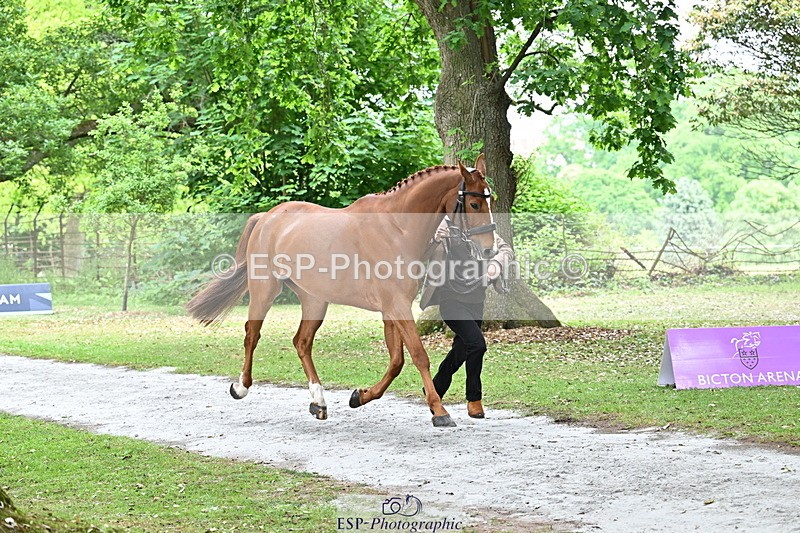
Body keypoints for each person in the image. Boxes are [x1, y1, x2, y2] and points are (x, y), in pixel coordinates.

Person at [420, 217, 514, 418]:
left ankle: (435, 388)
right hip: (451, 299)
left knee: (462, 349)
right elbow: (420, 253)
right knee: (478, 344)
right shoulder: (441, 226)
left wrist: (495, 266)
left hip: (475, 300)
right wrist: (435, 238)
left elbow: (506, 250)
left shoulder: (479, 228)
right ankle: (474, 399)